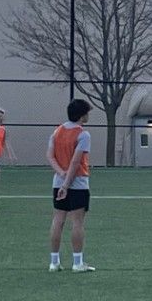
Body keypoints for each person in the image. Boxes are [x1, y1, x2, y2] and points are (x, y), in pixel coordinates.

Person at [48, 99, 96, 272]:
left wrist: (60, 174)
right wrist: (67, 184)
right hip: (78, 184)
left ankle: (54, 262)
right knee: (77, 223)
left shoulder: (57, 131)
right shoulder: (83, 134)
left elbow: (50, 156)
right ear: (82, 115)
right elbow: (76, 162)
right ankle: (77, 263)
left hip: (58, 182)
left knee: (57, 221)